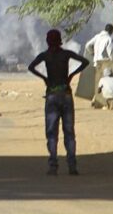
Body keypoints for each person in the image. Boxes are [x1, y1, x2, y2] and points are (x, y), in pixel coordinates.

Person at [28, 29, 90, 176]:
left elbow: (31, 67)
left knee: (51, 132)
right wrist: (71, 75)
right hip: (66, 93)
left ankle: (53, 165)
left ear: (48, 41)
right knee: (69, 132)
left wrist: (44, 78)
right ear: (60, 40)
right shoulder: (66, 54)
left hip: (52, 95)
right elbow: (85, 62)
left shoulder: (45, 55)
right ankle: (72, 165)